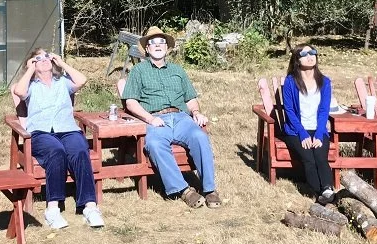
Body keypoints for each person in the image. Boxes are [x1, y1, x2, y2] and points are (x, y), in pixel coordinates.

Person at [121, 26, 221, 209]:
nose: (158, 46)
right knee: (154, 144)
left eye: (162, 42)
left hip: (181, 117)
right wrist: (150, 119)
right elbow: (131, 102)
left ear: (167, 48)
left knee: (200, 137)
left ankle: (209, 189)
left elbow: (190, 99)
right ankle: (184, 190)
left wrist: (196, 113)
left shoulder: (178, 70)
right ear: (147, 48)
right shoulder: (139, 71)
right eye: (153, 43)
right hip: (155, 119)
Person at [12, 48, 104, 229]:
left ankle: (90, 207)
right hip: (40, 132)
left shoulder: (62, 82)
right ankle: (52, 209)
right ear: (32, 63)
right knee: (56, 151)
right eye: (38, 58)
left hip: (67, 129)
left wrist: (62, 64)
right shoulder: (31, 85)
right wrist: (30, 69)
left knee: (80, 150)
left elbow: (82, 80)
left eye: (47, 56)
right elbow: (19, 92)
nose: (44, 59)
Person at [281, 44, 337, 203]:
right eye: (304, 54)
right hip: (296, 130)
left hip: (318, 129)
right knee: (309, 159)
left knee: (320, 157)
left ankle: (328, 189)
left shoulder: (324, 82)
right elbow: (289, 110)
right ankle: (318, 193)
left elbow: (324, 110)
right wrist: (303, 134)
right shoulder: (290, 82)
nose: (310, 56)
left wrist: (319, 133)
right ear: (297, 60)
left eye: (312, 52)